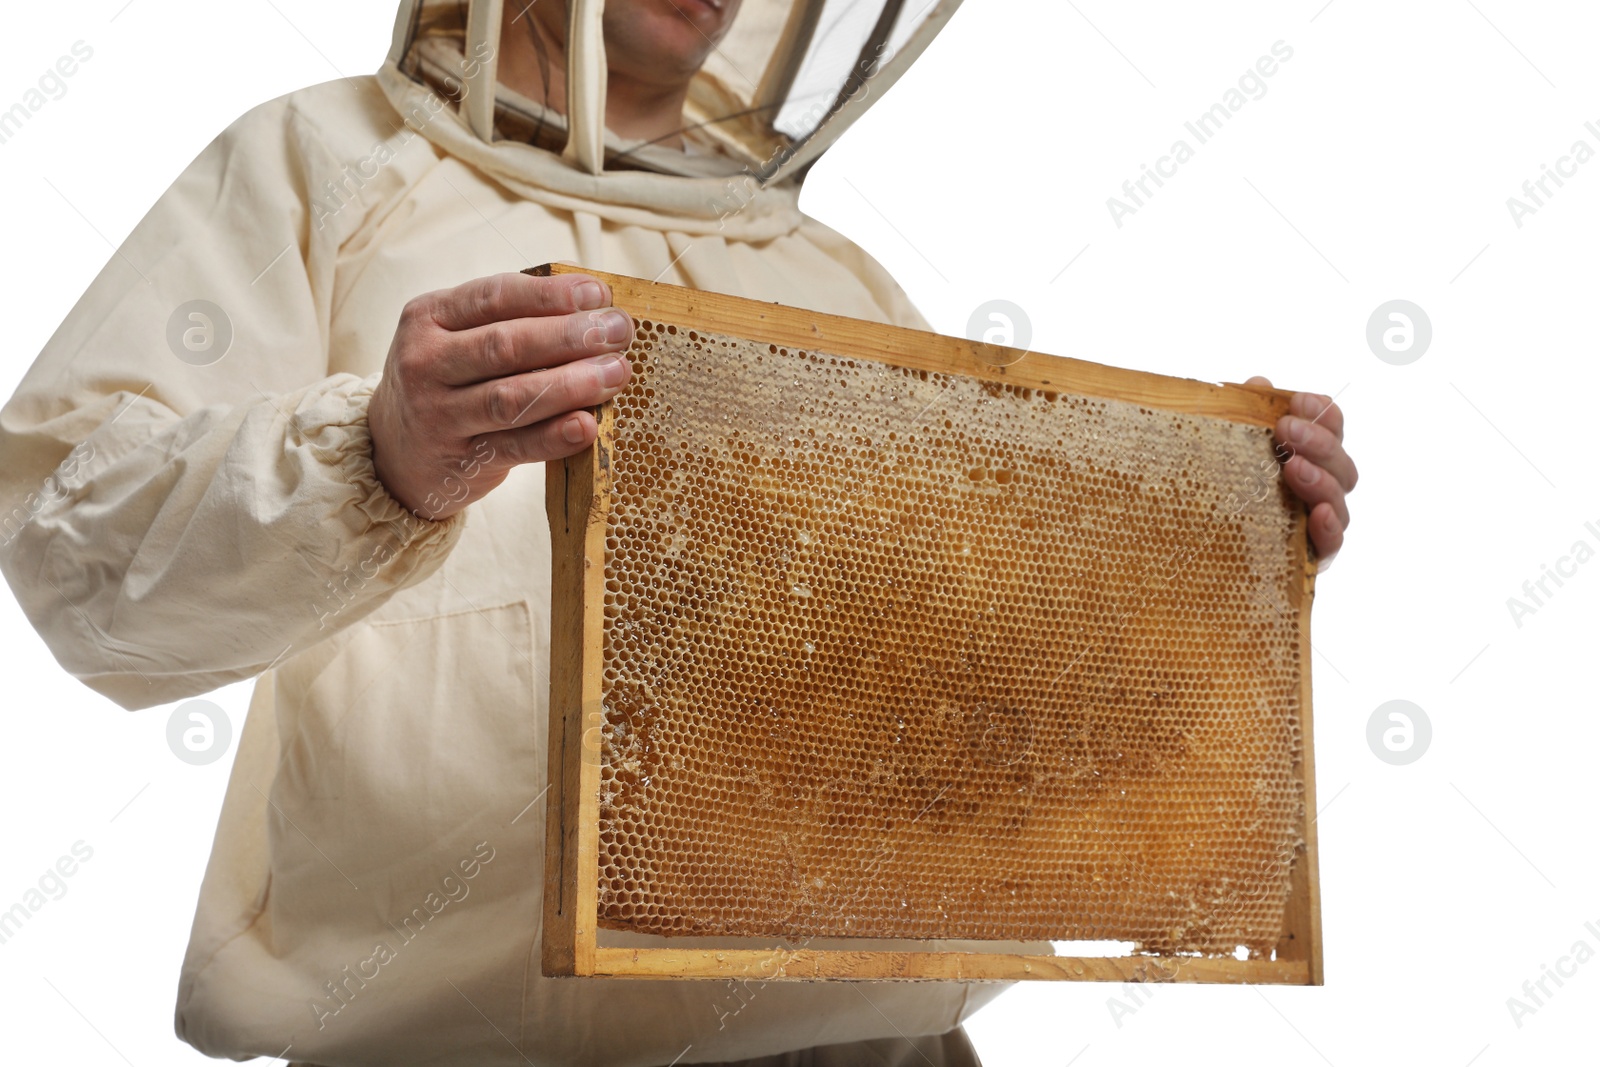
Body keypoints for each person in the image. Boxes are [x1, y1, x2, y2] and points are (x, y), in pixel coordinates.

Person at [0, 2, 1356, 1065]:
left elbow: (946, 707)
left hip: (882, 1051)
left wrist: (1205, 571)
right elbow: (76, 561)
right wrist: (377, 456)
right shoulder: (323, 167)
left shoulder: (832, 276)